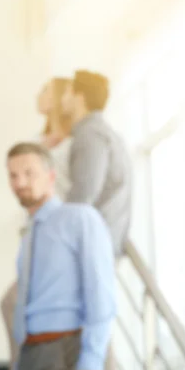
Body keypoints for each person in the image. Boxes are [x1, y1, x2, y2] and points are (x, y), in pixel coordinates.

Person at [6, 142, 116, 370]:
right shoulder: (28, 235)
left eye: (29, 173)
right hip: (30, 355)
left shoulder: (80, 219)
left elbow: (100, 293)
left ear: (51, 176)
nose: (20, 183)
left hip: (67, 353)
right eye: (13, 175)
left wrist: (91, 363)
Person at [0, 77, 73, 370]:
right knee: (14, 305)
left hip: (59, 233)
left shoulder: (70, 140)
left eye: (45, 90)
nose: (21, 181)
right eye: (15, 176)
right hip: (34, 228)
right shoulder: (39, 139)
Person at [61, 70, 132, 258]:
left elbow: (83, 194)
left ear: (79, 97)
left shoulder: (90, 135)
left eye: (67, 92)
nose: (63, 99)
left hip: (94, 243)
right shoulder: (104, 133)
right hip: (103, 238)